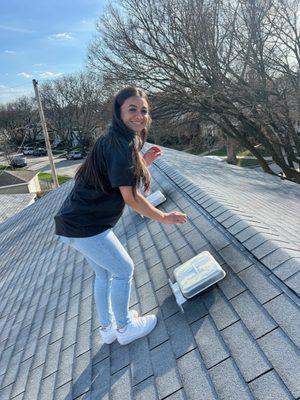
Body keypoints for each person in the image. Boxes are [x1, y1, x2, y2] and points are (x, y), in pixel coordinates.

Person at [54, 86, 187, 346]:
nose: (138, 115)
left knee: (104, 274)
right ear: (119, 112)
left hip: (73, 222)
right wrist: (164, 216)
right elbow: (131, 197)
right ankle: (124, 328)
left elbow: (119, 174)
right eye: (132, 109)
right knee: (124, 269)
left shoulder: (119, 139)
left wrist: (143, 162)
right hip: (87, 225)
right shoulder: (121, 144)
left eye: (143, 110)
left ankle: (108, 328)